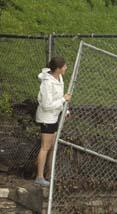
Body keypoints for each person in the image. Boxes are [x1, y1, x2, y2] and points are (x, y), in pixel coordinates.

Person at [34, 56, 72, 186]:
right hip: (47, 118)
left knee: (52, 146)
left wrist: (64, 110)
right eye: (64, 66)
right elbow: (46, 105)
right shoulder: (47, 83)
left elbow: (59, 97)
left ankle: (49, 175)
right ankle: (39, 177)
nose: (66, 68)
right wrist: (63, 100)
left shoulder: (59, 78)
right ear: (57, 69)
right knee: (45, 147)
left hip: (54, 116)